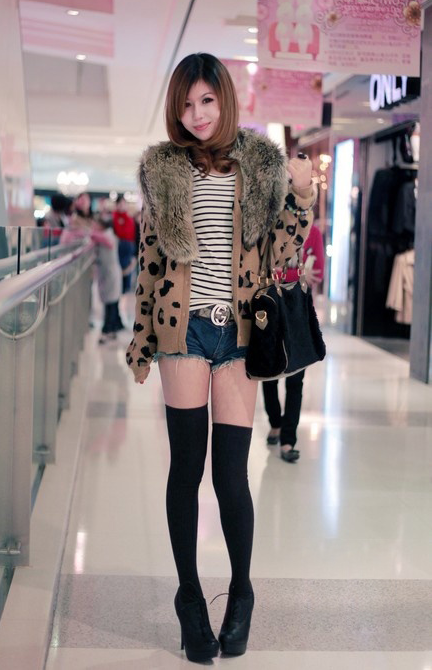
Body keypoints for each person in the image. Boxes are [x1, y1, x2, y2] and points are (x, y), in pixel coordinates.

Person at [125, 53, 316, 662]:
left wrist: (301, 199)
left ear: (225, 100)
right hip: (181, 332)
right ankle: (188, 597)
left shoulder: (260, 164)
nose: (197, 114)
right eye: (186, 104)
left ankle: (241, 592)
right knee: (186, 469)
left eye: (206, 100)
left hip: (237, 335)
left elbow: (282, 252)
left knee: (230, 474)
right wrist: (141, 338)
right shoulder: (164, 169)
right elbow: (150, 263)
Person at [262, 223, 325, 462]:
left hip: (298, 313)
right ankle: (275, 423)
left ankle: (288, 440)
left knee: (296, 379)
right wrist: (297, 275)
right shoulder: (273, 227)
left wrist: (286, 275)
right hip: (271, 310)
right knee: (269, 374)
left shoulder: (313, 232)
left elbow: (317, 273)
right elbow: (263, 271)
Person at [91, 216, 124, 343]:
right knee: (111, 302)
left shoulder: (107, 236)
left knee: (111, 303)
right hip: (108, 274)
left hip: (111, 274)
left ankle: (108, 330)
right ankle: (111, 329)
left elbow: (102, 240)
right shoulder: (106, 235)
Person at [112, 195, 137, 292]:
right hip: (119, 246)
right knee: (119, 270)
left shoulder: (129, 217)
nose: (122, 205)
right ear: (117, 205)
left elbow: (132, 234)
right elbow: (118, 232)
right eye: (120, 203)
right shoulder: (114, 217)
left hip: (129, 247)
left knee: (128, 270)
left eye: (124, 203)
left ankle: (125, 289)